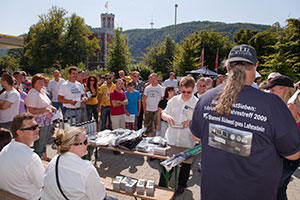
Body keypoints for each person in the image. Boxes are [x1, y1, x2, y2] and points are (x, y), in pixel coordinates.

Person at [190, 44, 300, 199]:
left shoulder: (207, 98)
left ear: (228, 67)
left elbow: (196, 136)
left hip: (213, 191)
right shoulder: (272, 104)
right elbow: (293, 154)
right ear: (256, 66)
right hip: (255, 192)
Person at [159, 76, 198, 195]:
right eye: (184, 91)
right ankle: (162, 185)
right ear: (180, 88)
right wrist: (167, 117)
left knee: (185, 167)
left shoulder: (197, 103)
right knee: (168, 164)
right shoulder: (173, 100)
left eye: (189, 92)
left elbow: (201, 121)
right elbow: (163, 113)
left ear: (193, 89)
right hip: (172, 139)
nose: (186, 94)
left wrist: (191, 122)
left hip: (187, 141)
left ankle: (182, 185)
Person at [42, 127, 106, 200]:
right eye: (85, 141)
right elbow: (100, 196)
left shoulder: (54, 160)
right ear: (72, 147)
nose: (88, 143)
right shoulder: (86, 168)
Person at [261, 75, 298, 200]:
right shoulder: (285, 106)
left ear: (284, 89)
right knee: (280, 191)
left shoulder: (290, 108)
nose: (269, 92)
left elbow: (284, 136)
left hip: (286, 159)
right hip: (287, 158)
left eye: (272, 90)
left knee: (273, 190)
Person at [0, 113, 44, 200]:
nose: (37, 129)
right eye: (32, 128)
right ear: (19, 132)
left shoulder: (7, 148)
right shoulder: (31, 158)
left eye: (37, 126)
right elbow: (44, 184)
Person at [26, 73, 57, 160]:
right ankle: (37, 160)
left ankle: (43, 157)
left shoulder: (42, 91)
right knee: (39, 144)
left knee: (44, 142)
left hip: (47, 121)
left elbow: (46, 103)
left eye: (42, 82)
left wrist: (51, 107)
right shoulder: (33, 93)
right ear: (34, 83)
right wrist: (46, 110)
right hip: (40, 122)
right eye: (39, 82)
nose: (41, 84)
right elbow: (32, 110)